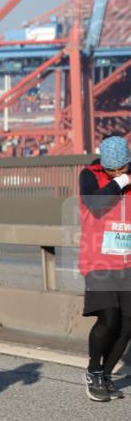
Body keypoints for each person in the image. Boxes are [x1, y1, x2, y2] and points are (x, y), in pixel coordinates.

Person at [78, 135, 131, 402]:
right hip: (98, 261)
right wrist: (120, 181)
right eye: (113, 170)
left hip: (128, 263)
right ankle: (93, 371)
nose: (118, 174)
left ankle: (106, 375)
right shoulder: (89, 175)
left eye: (123, 169)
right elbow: (96, 205)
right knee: (109, 319)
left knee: (127, 325)